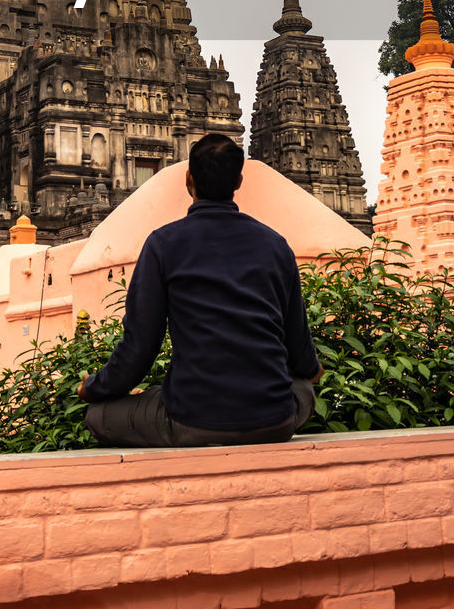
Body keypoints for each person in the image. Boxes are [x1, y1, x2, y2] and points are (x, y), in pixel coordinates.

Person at [77, 133, 323, 448]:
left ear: (188, 179)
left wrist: (93, 387)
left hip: (193, 420)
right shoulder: (277, 245)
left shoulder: (162, 245)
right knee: (304, 390)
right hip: (274, 420)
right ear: (239, 181)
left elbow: (138, 350)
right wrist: (312, 370)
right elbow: (301, 353)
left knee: (98, 415)